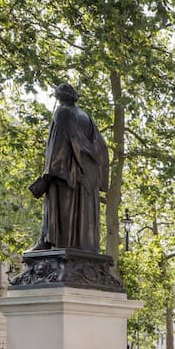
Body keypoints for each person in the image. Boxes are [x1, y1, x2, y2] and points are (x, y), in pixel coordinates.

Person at [29, 83, 109, 253]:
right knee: (81, 220)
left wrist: (48, 174)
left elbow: (57, 146)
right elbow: (101, 147)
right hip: (87, 177)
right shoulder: (86, 117)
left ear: (59, 97)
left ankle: (47, 240)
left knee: (58, 210)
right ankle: (76, 247)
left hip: (67, 174)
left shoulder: (62, 112)